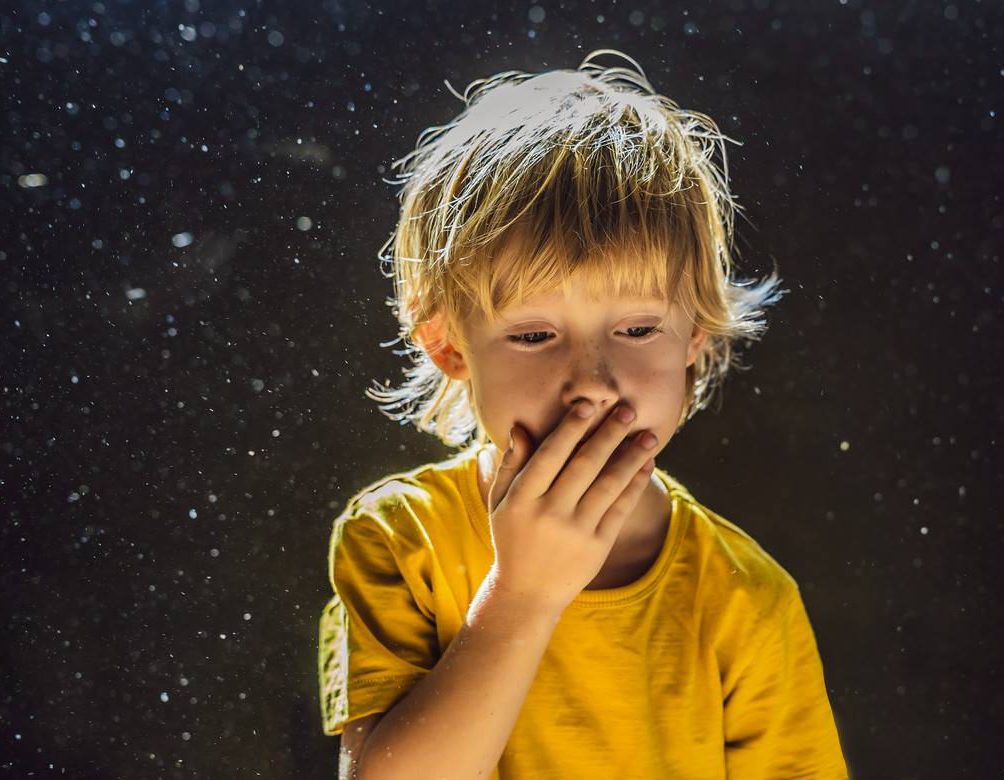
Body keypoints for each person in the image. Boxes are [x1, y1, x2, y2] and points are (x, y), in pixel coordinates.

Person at [317, 49, 850, 779]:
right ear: (448, 345)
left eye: (636, 330)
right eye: (535, 336)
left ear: (695, 332)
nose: (593, 385)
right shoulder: (399, 539)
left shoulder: (748, 601)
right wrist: (524, 596)